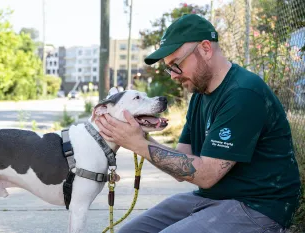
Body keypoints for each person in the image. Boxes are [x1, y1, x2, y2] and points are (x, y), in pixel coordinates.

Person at [95, 14, 302, 233]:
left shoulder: (242, 93)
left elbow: (206, 175)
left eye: (176, 65)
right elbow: (181, 166)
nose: (173, 76)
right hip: (214, 199)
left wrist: (138, 144)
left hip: (259, 208)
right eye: (169, 68)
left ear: (205, 48)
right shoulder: (200, 95)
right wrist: (140, 135)